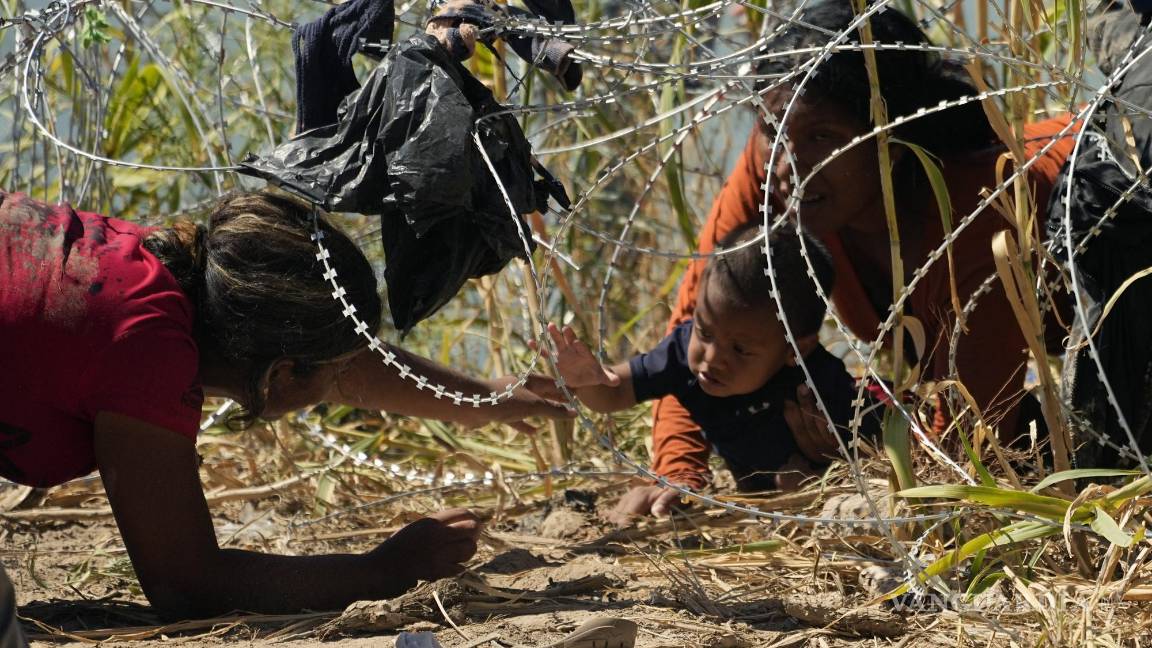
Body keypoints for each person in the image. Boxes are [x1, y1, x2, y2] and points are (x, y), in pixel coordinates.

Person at [0, 189, 573, 624]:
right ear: (281, 374)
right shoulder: (143, 348)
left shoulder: (172, 275)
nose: (351, 375)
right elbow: (187, 586)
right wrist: (385, 569)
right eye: (335, 369)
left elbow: (355, 366)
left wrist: (478, 398)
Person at [613, 0, 1081, 519]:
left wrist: (855, 457)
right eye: (772, 129)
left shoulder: (977, 213)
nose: (791, 166)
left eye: (823, 138)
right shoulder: (779, 160)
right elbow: (701, 331)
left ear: (891, 143)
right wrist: (679, 472)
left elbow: (974, 449)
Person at [536, 223, 881, 496]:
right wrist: (588, 381)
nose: (712, 358)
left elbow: (877, 453)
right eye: (705, 331)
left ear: (796, 350)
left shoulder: (819, 382)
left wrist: (827, 473)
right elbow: (612, 393)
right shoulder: (683, 352)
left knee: (797, 482)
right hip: (752, 499)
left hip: (802, 493)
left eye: (741, 350)